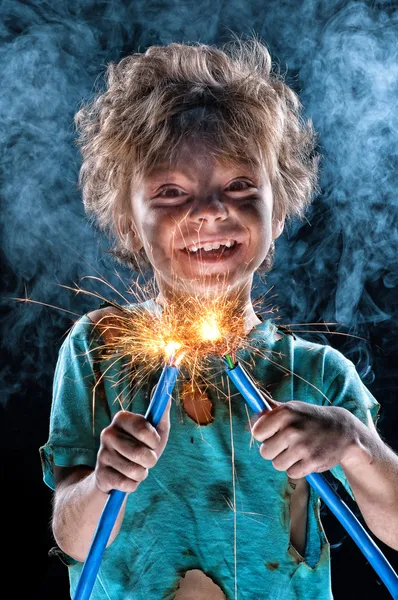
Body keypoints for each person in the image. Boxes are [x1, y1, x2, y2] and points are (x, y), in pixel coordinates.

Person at [40, 37, 398, 600]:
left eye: (238, 185)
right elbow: (75, 538)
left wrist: (353, 443)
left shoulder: (317, 374)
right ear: (130, 223)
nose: (209, 210)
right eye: (170, 191)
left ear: (278, 212)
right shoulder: (96, 350)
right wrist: (104, 482)